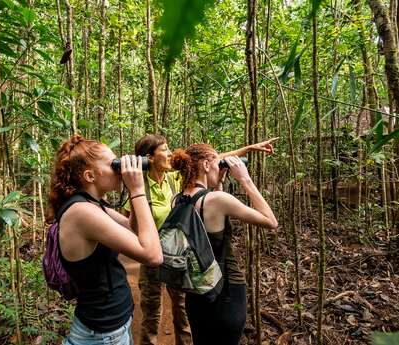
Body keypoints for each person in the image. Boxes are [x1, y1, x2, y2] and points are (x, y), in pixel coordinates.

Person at [123, 134, 277, 345]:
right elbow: (271, 222)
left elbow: (208, 164)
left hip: (188, 272)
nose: (170, 153)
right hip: (173, 266)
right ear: (149, 157)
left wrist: (248, 149)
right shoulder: (143, 187)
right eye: (164, 149)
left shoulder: (176, 187)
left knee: (187, 321)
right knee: (152, 314)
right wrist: (244, 179)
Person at [48, 135, 163, 345]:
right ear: (90, 175)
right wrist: (138, 190)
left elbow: (133, 228)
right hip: (103, 335)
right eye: (114, 164)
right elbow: (153, 255)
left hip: (109, 328)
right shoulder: (82, 212)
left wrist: (133, 188)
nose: (120, 168)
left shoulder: (93, 205)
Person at [170, 144, 278, 345]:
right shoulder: (217, 200)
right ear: (205, 164)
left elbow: (207, 230)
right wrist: (244, 179)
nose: (221, 167)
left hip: (197, 292)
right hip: (227, 292)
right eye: (217, 162)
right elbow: (271, 221)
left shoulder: (178, 200)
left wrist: (218, 181)